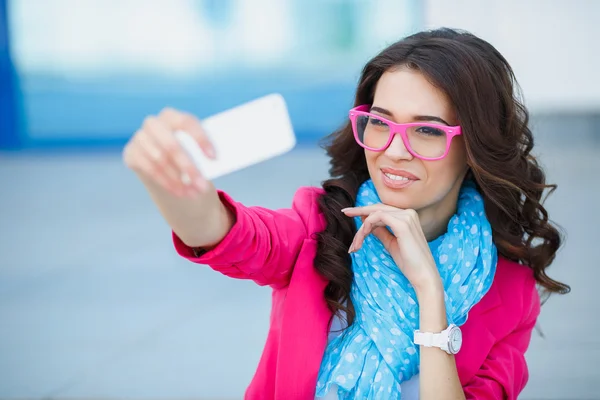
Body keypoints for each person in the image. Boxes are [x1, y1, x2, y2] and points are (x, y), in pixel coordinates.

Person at [123, 28, 570, 400]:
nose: (394, 151)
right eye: (380, 122)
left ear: (475, 146)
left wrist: (430, 292)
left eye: (428, 131)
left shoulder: (509, 291)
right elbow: (228, 235)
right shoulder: (321, 227)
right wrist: (174, 184)